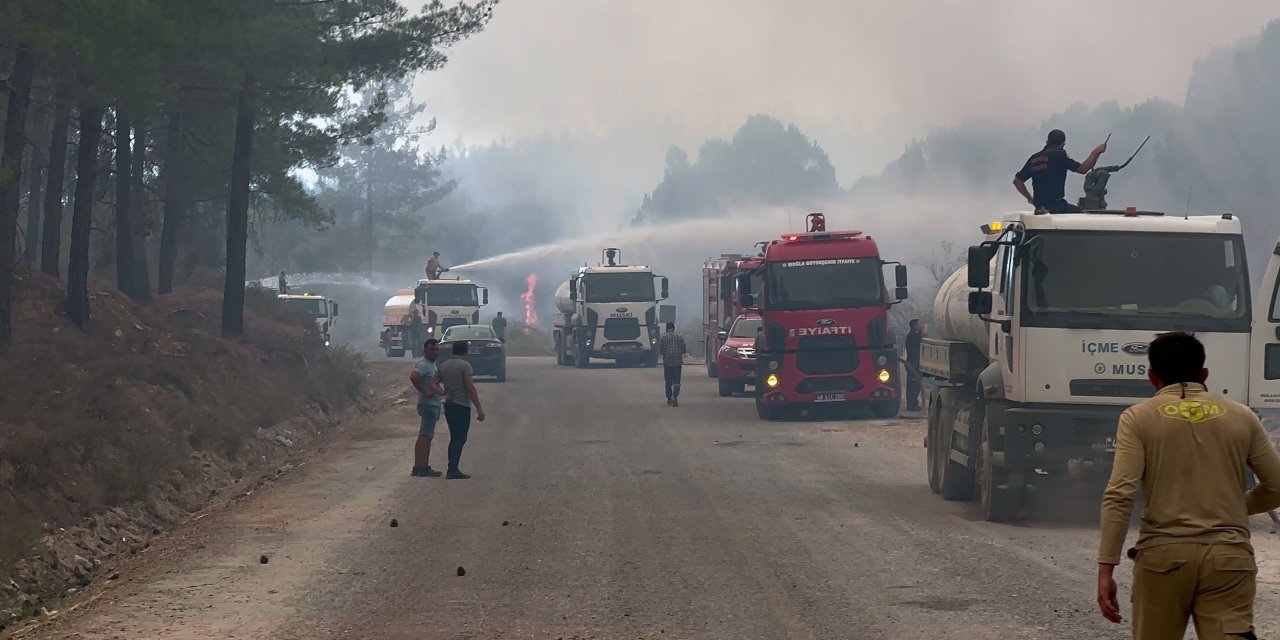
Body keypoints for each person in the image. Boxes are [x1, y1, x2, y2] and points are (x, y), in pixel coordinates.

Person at [1096, 331, 1280, 639]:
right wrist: (1236, 507)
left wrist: (1106, 568)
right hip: (1229, 560)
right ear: (1204, 374)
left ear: (1152, 376)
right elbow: (1276, 486)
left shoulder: (1137, 418)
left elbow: (1119, 495)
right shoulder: (1242, 416)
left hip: (1163, 560)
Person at [1014, 129, 1107, 214]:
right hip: (1056, 206)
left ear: (1047, 141)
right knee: (1083, 215)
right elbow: (1083, 169)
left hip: (1040, 208)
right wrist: (1096, 152)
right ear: (1062, 144)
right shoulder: (1059, 155)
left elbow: (1017, 181)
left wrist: (1030, 199)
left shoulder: (1034, 158)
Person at [434, 341, 486, 479]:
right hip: (461, 405)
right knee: (460, 438)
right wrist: (479, 408)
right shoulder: (465, 365)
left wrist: (443, 393)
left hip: (449, 404)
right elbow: (470, 387)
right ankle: (453, 469)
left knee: (454, 437)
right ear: (466, 352)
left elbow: (433, 383)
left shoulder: (443, 365)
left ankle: (452, 467)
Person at [407, 339, 446, 478]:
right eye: (432, 349)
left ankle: (419, 466)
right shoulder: (424, 365)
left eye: (437, 349)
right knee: (426, 436)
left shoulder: (431, 365)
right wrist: (424, 391)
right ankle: (421, 467)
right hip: (428, 405)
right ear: (425, 350)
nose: (435, 352)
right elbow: (414, 376)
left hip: (432, 404)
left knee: (425, 436)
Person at [659, 322, 687, 407]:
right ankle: (675, 396)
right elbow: (684, 350)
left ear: (667, 329)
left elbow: (661, 351)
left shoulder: (663, 338)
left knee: (668, 382)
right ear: (674, 328)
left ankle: (669, 398)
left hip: (667, 363)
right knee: (677, 381)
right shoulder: (680, 337)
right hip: (677, 363)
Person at [904, 319, 924, 412]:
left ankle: (913, 404)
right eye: (919, 324)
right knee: (913, 385)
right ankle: (912, 405)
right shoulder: (913, 336)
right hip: (913, 364)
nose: (921, 326)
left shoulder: (912, 335)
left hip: (914, 364)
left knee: (915, 385)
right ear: (914, 326)